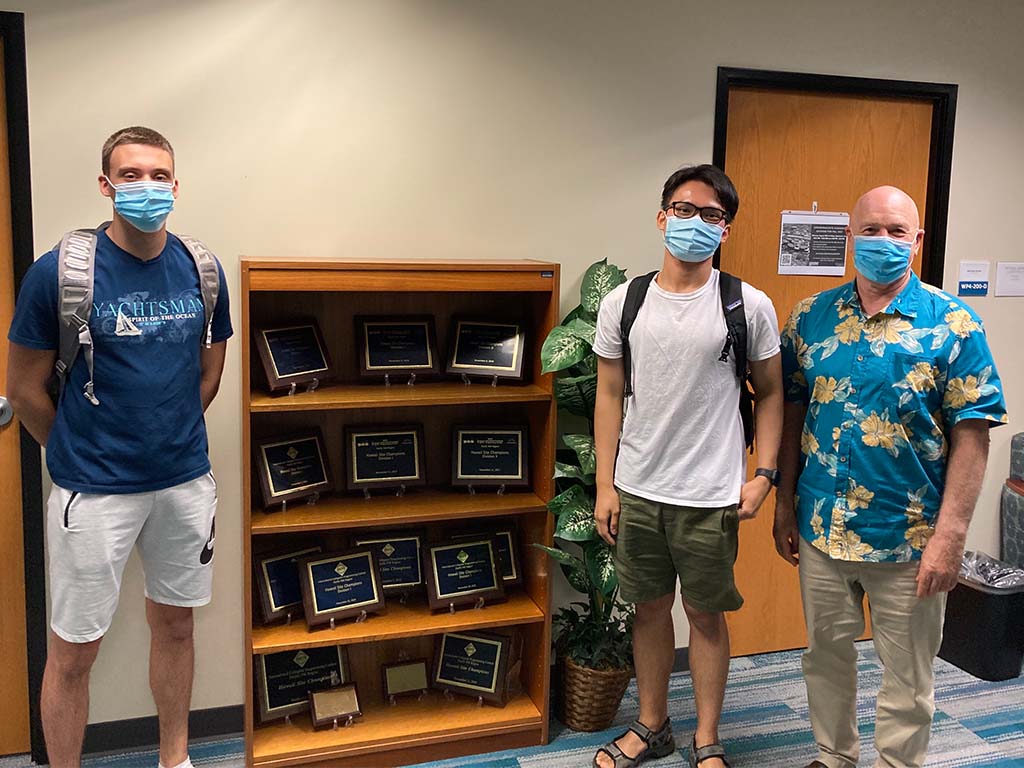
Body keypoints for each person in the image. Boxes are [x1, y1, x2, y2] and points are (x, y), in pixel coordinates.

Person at [7, 126, 232, 768]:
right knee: (74, 652)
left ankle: (175, 758)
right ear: (106, 186)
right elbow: (23, 390)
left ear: (177, 185)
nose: (147, 187)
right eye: (131, 176)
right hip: (94, 492)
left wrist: (162, 435)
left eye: (160, 176)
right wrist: (83, 447)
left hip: (184, 481)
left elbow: (207, 374)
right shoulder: (58, 273)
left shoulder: (201, 268)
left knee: (178, 625)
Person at [774, 186, 1007, 768]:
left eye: (897, 230)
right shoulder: (809, 317)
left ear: (918, 239)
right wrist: (782, 506)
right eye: (870, 229)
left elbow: (973, 436)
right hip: (821, 525)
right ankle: (834, 755)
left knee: (907, 675)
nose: (883, 241)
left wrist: (951, 537)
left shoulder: (954, 324)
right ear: (850, 237)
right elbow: (790, 413)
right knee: (825, 657)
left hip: (912, 538)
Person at [591, 164, 784, 768]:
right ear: (661, 217)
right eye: (684, 209)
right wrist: (604, 484)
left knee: (704, 614)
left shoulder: (746, 305)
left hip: (711, 492)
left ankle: (706, 737)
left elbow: (773, 392)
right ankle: (652, 726)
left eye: (711, 215)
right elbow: (607, 395)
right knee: (648, 609)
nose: (694, 223)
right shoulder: (625, 302)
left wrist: (765, 475)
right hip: (639, 487)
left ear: (725, 230)